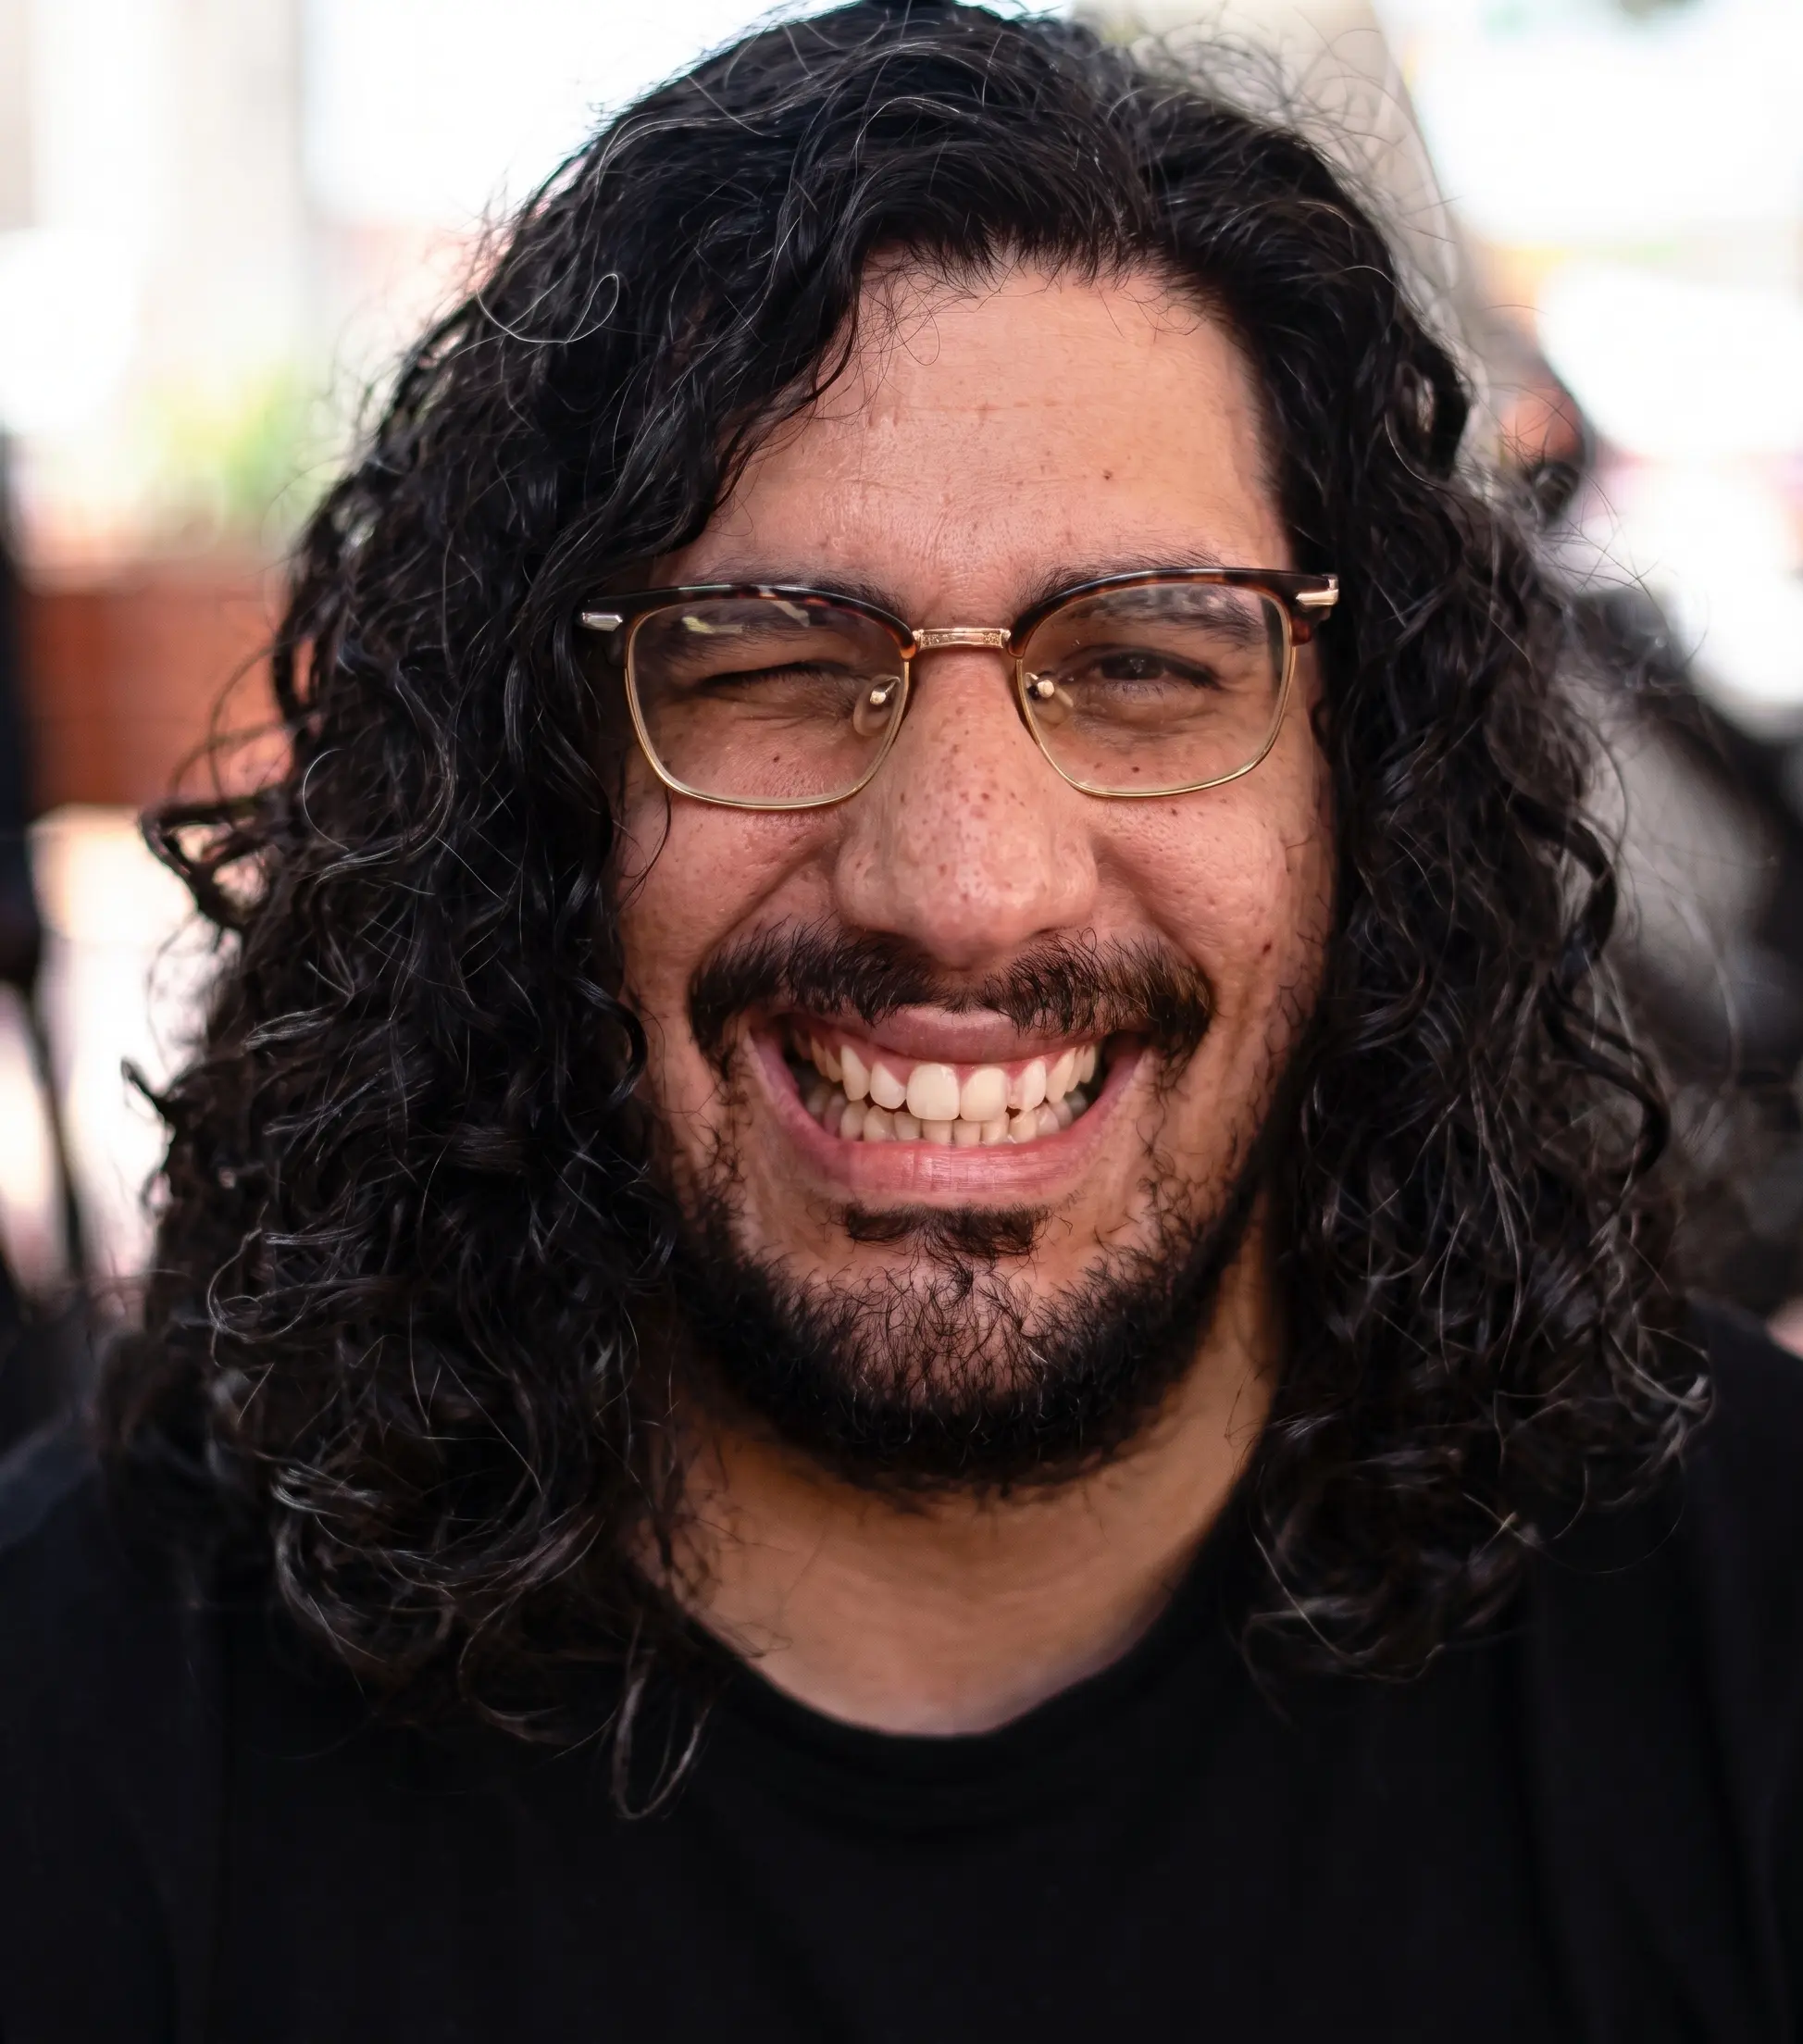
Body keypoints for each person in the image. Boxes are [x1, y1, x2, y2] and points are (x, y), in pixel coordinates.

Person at [2, 5, 1798, 2038]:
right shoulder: (88, 1738)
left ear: (1361, 799)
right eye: (768, 661)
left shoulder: (1742, 1644)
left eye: (1141, 665)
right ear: (533, 795)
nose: (960, 882)